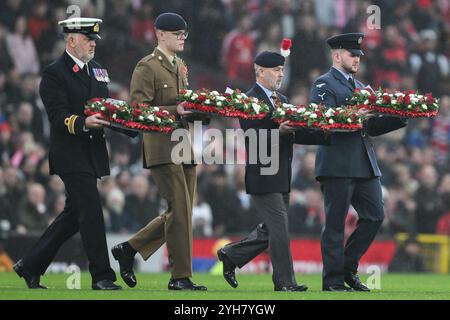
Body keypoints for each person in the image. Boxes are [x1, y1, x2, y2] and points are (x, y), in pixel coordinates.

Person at [13, 17, 132, 290]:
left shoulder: (98, 70)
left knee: (73, 216)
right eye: (88, 39)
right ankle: (102, 276)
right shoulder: (55, 73)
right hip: (70, 152)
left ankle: (30, 265)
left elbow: (106, 108)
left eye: (94, 40)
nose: (93, 44)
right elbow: (57, 115)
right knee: (91, 210)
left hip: (92, 152)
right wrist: (82, 122)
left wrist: (132, 125)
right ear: (71, 40)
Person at [216, 50, 330, 291]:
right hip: (262, 174)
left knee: (271, 229)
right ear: (259, 71)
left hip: (282, 174)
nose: (280, 74)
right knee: (280, 230)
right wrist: (279, 132)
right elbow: (251, 136)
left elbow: (296, 132)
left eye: (282, 69)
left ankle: (231, 255)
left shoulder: (284, 100)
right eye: (276, 69)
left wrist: (327, 132)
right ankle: (285, 282)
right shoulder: (248, 100)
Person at [111, 12, 207, 291]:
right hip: (161, 145)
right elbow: (138, 111)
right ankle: (180, 276)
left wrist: (199, 111)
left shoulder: (179, 66)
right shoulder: (147, 67)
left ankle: (129, 249)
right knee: (178, 209)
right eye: (176, 33)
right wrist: (174, 111)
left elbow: (182, 106)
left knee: (183, 211)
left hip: (183, 144)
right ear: (159, 34)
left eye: (184, 33)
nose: (182, 38)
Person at [310, 33, 408, 291]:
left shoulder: (363, 87)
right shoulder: (323, 84)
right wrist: (355, 115)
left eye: (359, 56)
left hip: (364, 163)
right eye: (352, 55)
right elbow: (323, 121)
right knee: (335, 224)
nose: (357, 59)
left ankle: (346, 269)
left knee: (375, 216)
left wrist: (400, 115)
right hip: (337, 163)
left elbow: (372, 126)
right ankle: (332, 282)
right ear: (337, 55)